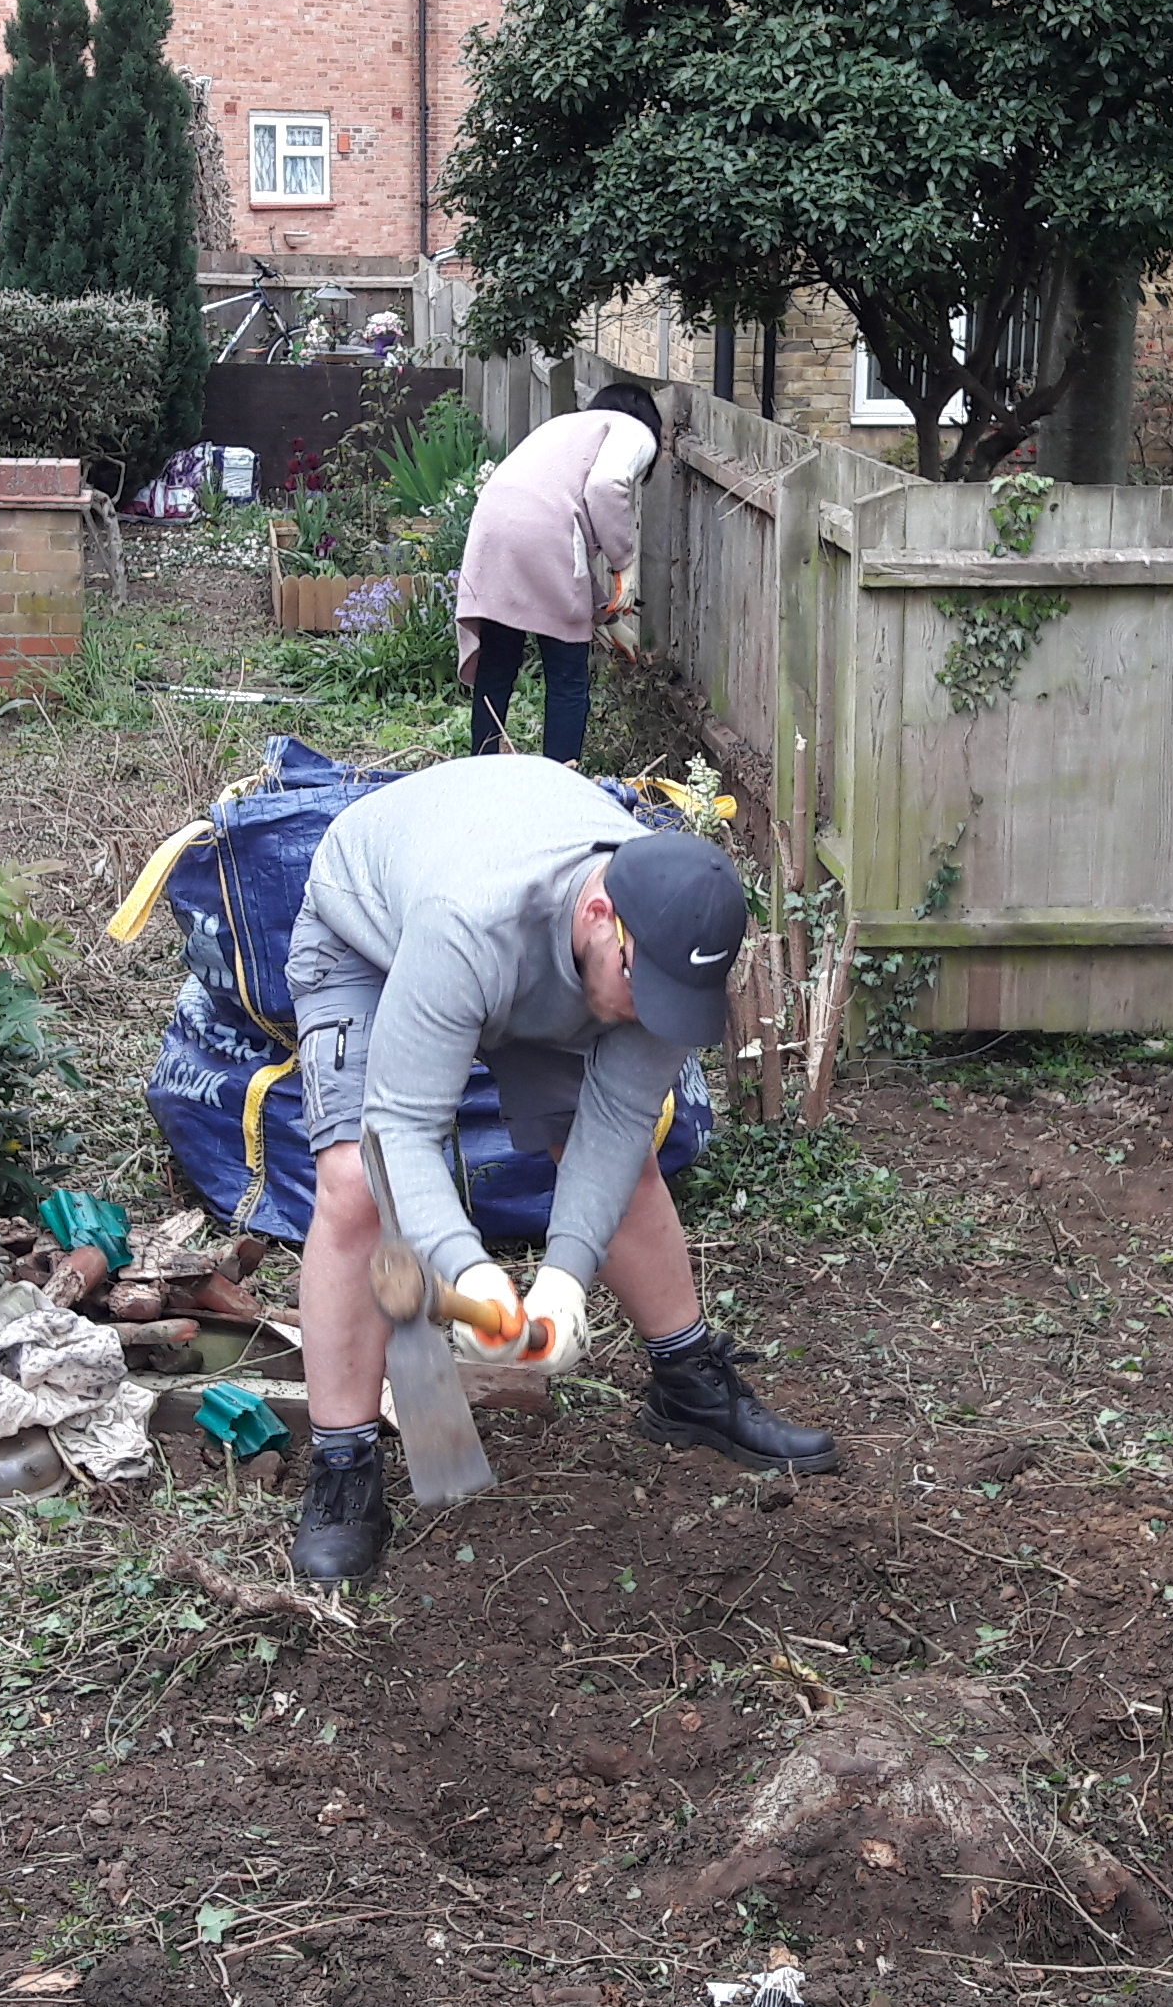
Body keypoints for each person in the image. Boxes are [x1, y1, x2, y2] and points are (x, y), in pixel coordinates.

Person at [281, 755, 835, 1585]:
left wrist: (565, 1279)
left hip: (539, 949)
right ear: (603, 914)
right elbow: (401, 1126)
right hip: (374, 929)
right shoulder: (466, 924)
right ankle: (344, 1467)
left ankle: (689, 1384)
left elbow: (613, 1125)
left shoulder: (667, 949)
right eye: (639, 985)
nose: (655, 1016)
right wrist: (467, 1269)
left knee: (623, 1161)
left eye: (671, 1003)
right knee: (358, 1187)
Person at [451, 382, 662, 762]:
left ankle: (479, 769)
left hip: (492, 528)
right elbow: (605, 486)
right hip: (544, 534)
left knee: (497, 667)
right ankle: (561, 782)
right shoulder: (634, 430)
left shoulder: (564, 427)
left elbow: (563, 551)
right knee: (567, 678)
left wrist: (608, 617)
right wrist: (624, 564)